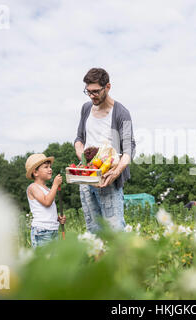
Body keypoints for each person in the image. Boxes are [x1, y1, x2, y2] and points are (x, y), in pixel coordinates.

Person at [74, 67, 136, 233]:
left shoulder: (122, 113)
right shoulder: (86, 109)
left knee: (115, 230)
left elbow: (129, 149)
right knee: (93, 230)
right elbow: (79, 139)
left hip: (108, 179)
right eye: (88, 92)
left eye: (95, 91)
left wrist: (114, 174)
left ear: (107, 87)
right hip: (86, 179)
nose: (91, 96)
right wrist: (85, 159)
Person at [25, 153, 66, 248]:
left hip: (53, 230)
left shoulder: (48, 189)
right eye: (46, 167)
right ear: (35, 173)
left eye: (50, 167)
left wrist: (57, 218)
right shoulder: (33, 187)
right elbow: (47, 202)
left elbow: (46, 211)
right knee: (45, 260)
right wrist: (55, 185)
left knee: (54, 261)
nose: (50, 169)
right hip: (42, 231)